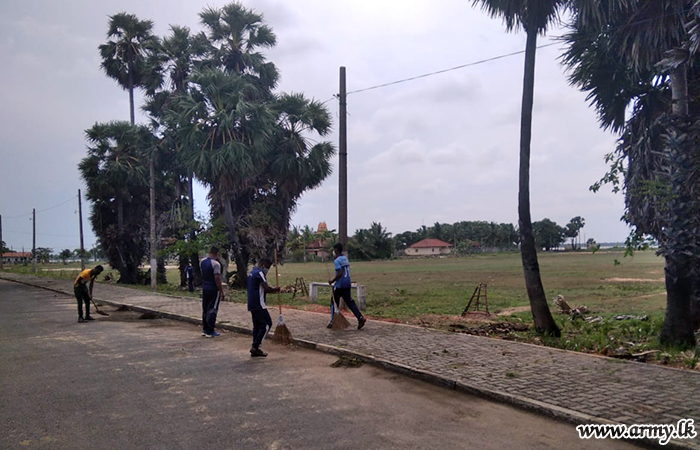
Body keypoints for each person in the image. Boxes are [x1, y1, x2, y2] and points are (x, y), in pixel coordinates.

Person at [247, 257, 280, 357]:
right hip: (259, 304)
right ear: (263, 265)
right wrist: (276, 289)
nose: (267, 270)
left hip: (252, 303)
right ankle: (256, 346)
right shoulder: (259, 273)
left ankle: (255, 346)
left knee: (257, 326)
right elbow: (266, 288)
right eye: (267, 267)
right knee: (267, 324)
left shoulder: (252, 272)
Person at [328, 243, 366, 329]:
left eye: (334, 250)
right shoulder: (345, 259)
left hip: (340, 285)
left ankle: (332, 321)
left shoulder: (337, 261)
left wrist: (332, 281)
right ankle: (360, 317)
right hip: (347, 283)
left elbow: (340, 273)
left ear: (336, 250)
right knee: (350, 302)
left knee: (334, 302)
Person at [201, 246, 225, 338]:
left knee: (205, 308)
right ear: (217, 253)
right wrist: (221, 291)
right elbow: (217, 278)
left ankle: (205, 329)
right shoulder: (216, 264)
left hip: (205, 286)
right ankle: (210, 330)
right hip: (213, 288)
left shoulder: (203, 261)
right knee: (213, 309)